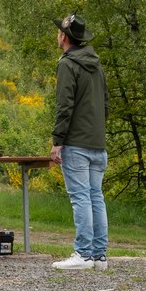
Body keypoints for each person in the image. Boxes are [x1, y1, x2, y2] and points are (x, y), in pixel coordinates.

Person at [50, 14, 109, 271]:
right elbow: (105, 103)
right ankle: (99, 256)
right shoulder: (96, 64)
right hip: (98, 142)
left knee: (81, 198)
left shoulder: (67, 64)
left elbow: (64, 105)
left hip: (76, 142)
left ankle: (83, 254)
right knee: (96, 196)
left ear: (64, 36)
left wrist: (57, 140)